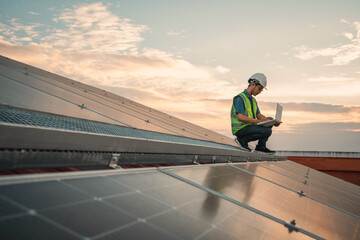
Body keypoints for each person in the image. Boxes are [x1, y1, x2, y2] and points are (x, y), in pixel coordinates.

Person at [230, 73, 281, 154]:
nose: (260, 92)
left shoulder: (253, 100)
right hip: (240, 129)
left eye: (261, 90)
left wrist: (272, 121)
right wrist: (258, 121)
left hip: (249, 127)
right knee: (267, 132)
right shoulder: (240, 98)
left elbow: (259, 115)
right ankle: (242, 140)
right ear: (253, 84)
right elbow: (240, 117)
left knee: (269, 121)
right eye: (259, 88)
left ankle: (261, 146)